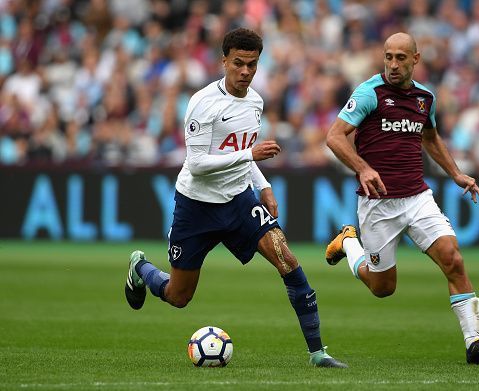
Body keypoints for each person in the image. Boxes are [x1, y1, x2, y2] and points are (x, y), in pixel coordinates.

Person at [124, 28, 346, 368]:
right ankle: (140, 267)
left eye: (252, 65)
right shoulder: (202, 103)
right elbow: (197, 165)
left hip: (239, 201)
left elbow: (242, 153)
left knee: (288, 261)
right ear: (224, 60)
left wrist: (265, 186)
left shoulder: (255, 102)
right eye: (238, 64)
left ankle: (318, 353)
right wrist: (250, 157)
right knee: (179, 296)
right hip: (196, 205)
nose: (245, 72)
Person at [324, 32, 479, 364]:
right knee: (382, 288)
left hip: (417, 197)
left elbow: (430, 137)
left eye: (400, 58)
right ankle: (349, 242)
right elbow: (334, 137)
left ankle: (474, 342)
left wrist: (455, 173)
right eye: (388, 56)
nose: (393, 64)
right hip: (378, 203)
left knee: (453, 258)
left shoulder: (425, 98)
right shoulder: (369, 93)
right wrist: (363, 169)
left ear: (415, 60)